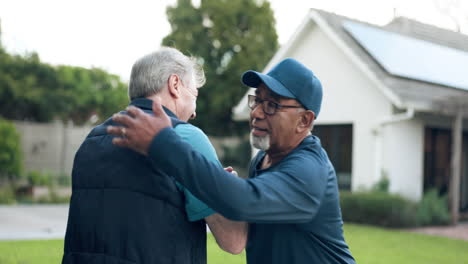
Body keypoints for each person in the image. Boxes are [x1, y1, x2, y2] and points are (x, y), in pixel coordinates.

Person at [108, 58, 356, 264]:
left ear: (304, 121)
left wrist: (162, 142)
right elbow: (242, 205)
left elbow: (242, 201)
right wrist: (222, 184)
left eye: (271, 105)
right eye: (257, 100)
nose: (257, 112)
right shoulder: (262, 160)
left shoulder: (310, 170)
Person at [62, 47, 247, 264]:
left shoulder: (91, 140)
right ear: (175, 84)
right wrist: (227, 189)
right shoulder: (184, 137)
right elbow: (233, 240)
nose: (194, 111)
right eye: (194, 95)